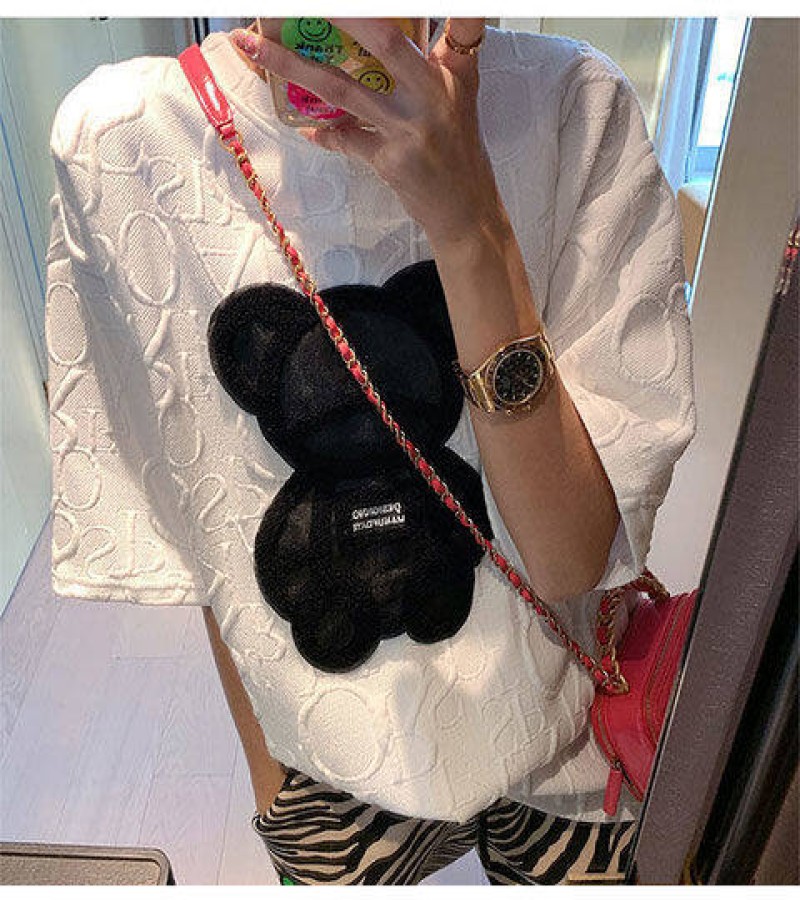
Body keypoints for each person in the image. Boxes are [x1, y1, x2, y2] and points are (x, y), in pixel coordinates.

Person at [45, 16, 697, 885]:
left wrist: (469, 227)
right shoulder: (124, 141)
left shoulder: (572, 106)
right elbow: (201, 507)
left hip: (571, 723)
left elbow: (572, 560)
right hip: (323, 757)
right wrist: (277, 783)